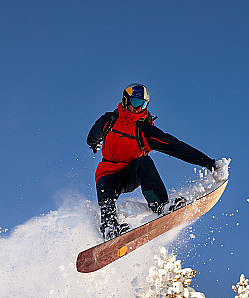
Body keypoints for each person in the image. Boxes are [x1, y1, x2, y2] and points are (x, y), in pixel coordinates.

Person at [87, 83, 218, 240]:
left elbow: (175, 147)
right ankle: (110, 227)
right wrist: (94, 143)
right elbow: (93, 135)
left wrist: (207, 162)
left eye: (143, 105)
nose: (138, 108)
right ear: (126, 100)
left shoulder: (145, 130)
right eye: (136, 102)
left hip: (130, 174)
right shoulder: (108, 120)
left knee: (145, 162)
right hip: (108, 174)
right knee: (103, 182)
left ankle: (161, 205)